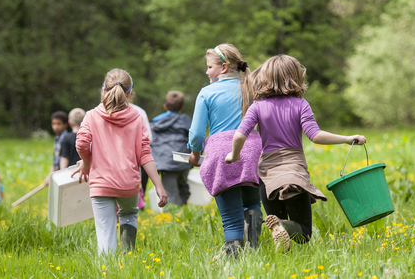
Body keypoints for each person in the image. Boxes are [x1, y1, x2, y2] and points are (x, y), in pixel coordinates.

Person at [225, 54, 367, 252]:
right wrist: (347, 138)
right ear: (295, 77)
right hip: (294, 172)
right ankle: (283, 227)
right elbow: (315, 136)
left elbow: (240, 135)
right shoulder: (301, 105)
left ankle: (275, 229)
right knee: (304, 233)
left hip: (267, 173)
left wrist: (234, 155)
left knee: (278, 221)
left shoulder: (257, 106)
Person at [73, 68, 168, 255]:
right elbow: (145, 154)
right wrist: (158, 185)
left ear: (103, 90)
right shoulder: (137, 117)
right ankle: (128, 258)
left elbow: (82, 142)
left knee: (105, 228)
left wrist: (86, 161)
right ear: (130, 93)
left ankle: (108, 270)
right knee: (129, 214)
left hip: (101, 183)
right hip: (129, 183)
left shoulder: (92, 115)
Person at [188, 44, 263, 257]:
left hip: (222, 153)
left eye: (209, 67)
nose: (206, 71)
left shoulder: (207, 92)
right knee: (252, 203)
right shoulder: (250, 87)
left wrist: (194, 154)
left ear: (223, 68)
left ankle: (234, 259)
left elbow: (196, 134)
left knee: (231, 217)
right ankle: (253, 253)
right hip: (252, 150)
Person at [150, 91, 192, 206]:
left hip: (165, 162)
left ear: (165, 106)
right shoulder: (186, 120)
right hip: (183, 160)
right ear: (182, 107)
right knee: (183, 188)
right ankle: (182, 215)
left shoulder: (155, 122)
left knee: (171, 193)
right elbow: (195, 139)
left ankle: (177, 218)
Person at [127, 91, 153, 209]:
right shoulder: (139, 112)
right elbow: (148, 139)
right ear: (130, 93)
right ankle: (138, 204)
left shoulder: (98, 112)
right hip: (134, 160)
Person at [43, 111, 68, 186]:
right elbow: (55, 161)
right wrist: (49, 176)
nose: (55, 127)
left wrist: (51, 176)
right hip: (57, 172)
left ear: (65, 125)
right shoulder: (57, 138)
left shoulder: (65, 139)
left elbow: (59, 161)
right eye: (53, 124)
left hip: (62, 172)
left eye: (59, 124)